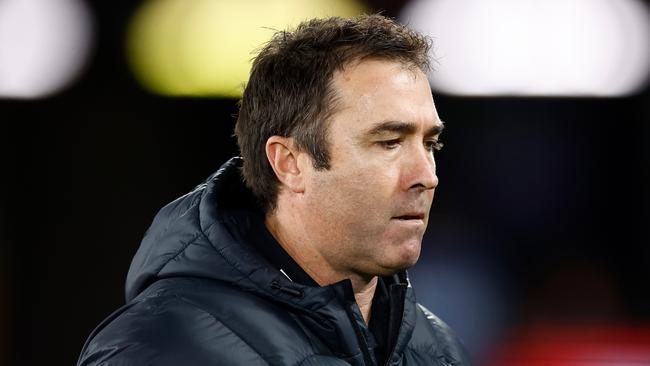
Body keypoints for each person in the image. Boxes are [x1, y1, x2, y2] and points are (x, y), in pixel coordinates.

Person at [78, 14, 471, 366]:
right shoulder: (158, 347)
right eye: (389, 142)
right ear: (289, 163)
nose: (426, 175)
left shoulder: (439, 350)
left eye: (430, 144)